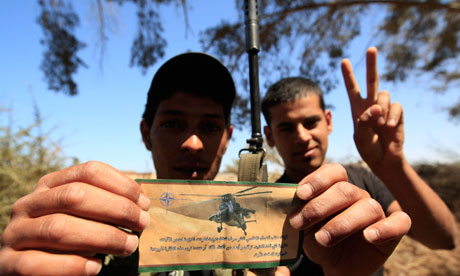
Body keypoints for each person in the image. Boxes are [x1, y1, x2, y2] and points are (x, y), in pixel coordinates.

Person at [0, 51, 411, 276]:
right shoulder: (101, 236)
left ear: (229, 138)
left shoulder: (283, 230)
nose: (194, 142)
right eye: (174, 123)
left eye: (210, 126)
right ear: (146, 132)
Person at [261, 47, 458, 276]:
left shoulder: (361, 179)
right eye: (286, 128)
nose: (302, 137)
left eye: (311, 122)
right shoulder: (267, 205)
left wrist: (392, 165)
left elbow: (444, 239)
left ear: (328, 121)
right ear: (269, 136)